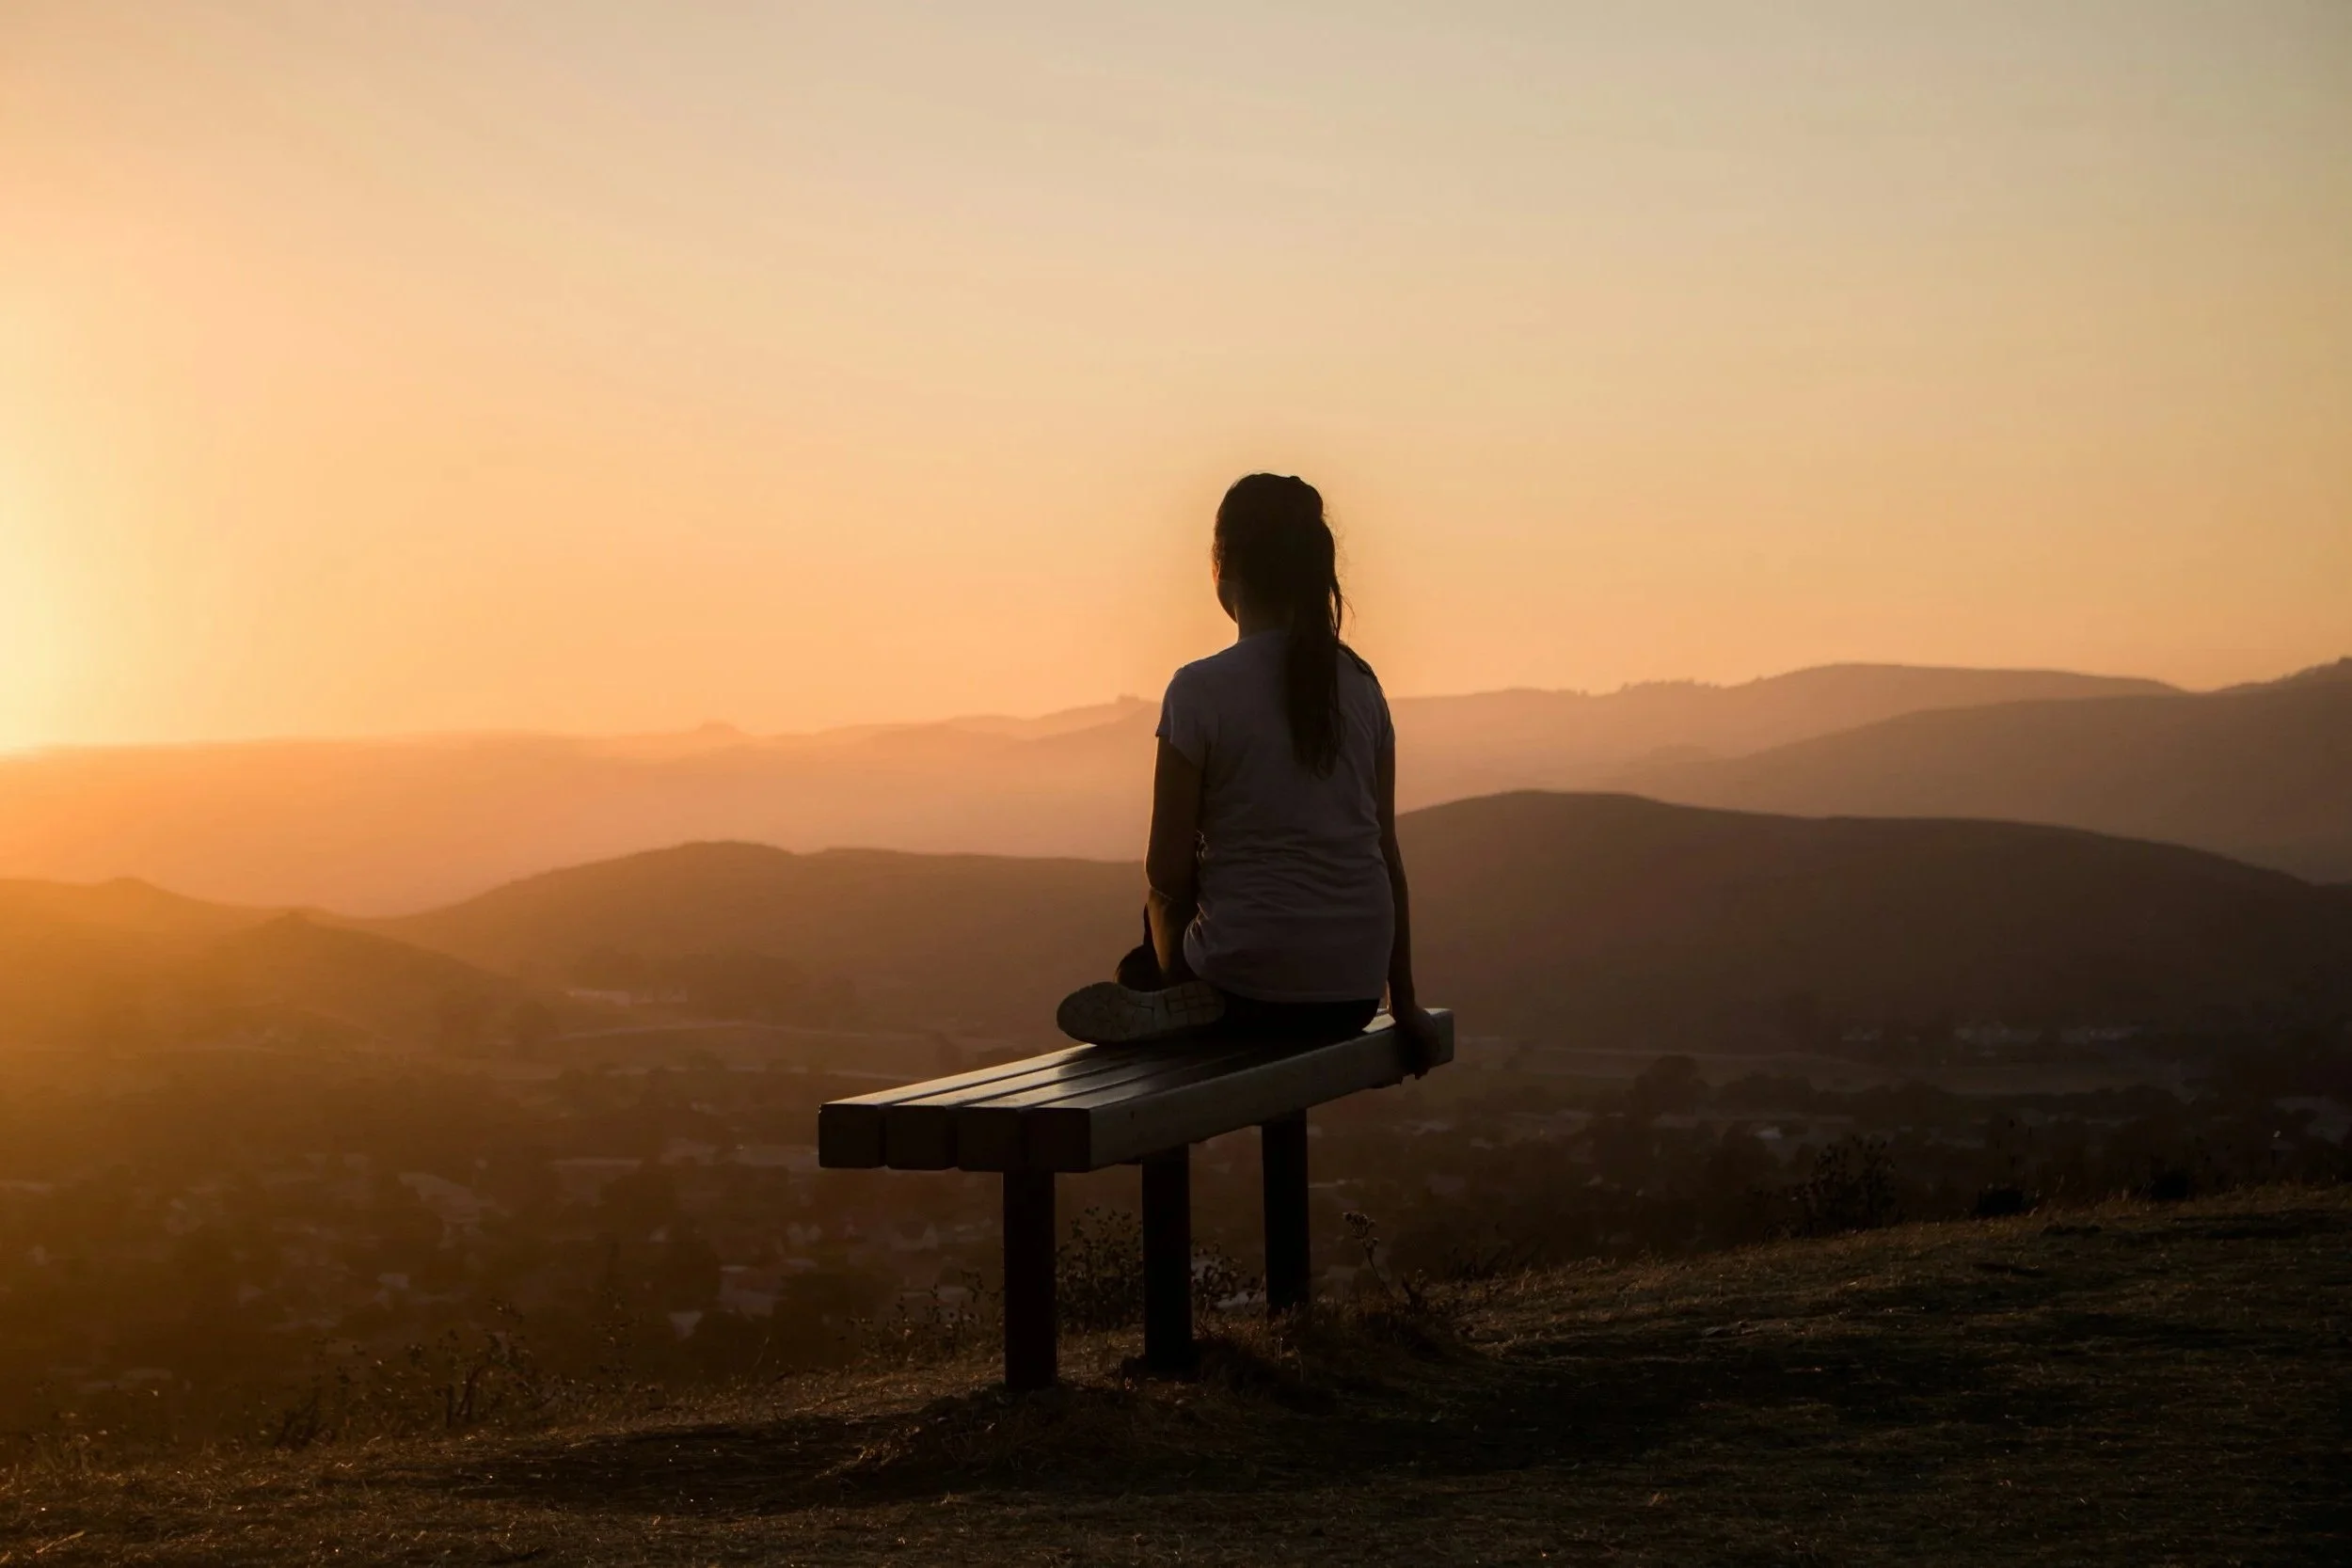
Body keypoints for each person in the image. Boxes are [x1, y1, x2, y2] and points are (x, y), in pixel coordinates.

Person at [1056, 473, 1443, 1072]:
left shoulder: (1199, 690)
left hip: (1244, 990)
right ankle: (1170, 993)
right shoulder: (1364, 689)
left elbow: (1165, 869)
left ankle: (1162, 992)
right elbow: (1386, 856)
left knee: (1148, 935)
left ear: (1222, 568)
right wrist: (1407, 1003)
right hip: (1354, 995)